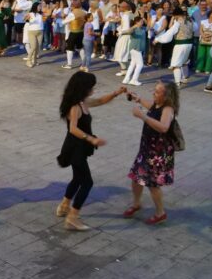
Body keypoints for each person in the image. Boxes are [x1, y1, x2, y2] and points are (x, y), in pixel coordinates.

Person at [55, 72, 126, 231]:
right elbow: (73, 128)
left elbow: (100, 101)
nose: (94, 88)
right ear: (83, 88)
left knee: (77, 178)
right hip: (75, 149)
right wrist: (92, 139)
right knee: (87, 182)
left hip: (77, 147)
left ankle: (64, 206)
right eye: (91, 86)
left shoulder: (82, 102)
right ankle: (72, 217)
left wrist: (116, 93)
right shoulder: (75, 107)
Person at [123, 82, 180, 225]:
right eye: (154, 90)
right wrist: (137, 98)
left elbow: (164, 127)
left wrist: (142, 116)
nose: (154, 93)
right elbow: (151, 106)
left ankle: (160, 213)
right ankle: (136, 204)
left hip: (158, 154)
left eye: (157, 92)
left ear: (166, 96)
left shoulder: (168, 109)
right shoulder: (157, 104)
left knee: (153, 184)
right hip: (147, 150)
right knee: (136, 177)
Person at [121, 16, 147, 86]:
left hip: (138, 49)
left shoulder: (143, 28)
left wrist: (144, 18)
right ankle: (134, 80)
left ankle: (126, 79)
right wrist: (134, 26)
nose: (142, 23)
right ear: (136, 22)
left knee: (132, 64)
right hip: (135, 49)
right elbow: (127, 31)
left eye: (142, 21)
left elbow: (150, 27)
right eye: (141, 22)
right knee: (140, 64)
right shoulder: (134, 29)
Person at [24, 3, 43, 68]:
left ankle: (34, 60)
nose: (40, 7)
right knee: (33, 47)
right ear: (35, 7)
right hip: (32, 32)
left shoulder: (40, 14)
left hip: (40, 32)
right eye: (39, 6)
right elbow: (25, 19)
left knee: (37, 48)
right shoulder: (31, 13)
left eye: (40, 6)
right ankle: (28, 61)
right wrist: (27, 18)